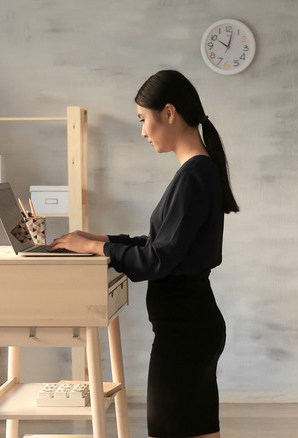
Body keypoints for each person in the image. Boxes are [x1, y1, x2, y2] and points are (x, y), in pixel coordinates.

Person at [48, 69, 238, 438]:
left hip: (184, 333)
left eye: (143, 120)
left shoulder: (195, 175)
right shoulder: (196, 172)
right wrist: (97, 237)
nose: (142, 132)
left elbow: (157, 261)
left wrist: (94, 248)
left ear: (168, 113)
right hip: (191, 327)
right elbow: (162, 245)